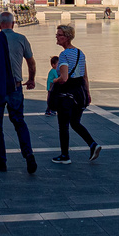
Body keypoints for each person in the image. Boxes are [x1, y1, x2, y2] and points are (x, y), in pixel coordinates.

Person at [0, 13, 36, 174]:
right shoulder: (21, 39)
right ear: (13, 24)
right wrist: (31, 79)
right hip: (15, 87)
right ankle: (28, 154)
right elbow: (31, 62)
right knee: (19, 122)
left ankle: (0, 161)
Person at [49, 25, 99, 164]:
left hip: (67, 93)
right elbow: (85, 76)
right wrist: (87, 93)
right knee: (75, 122)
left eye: (59, 35)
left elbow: (64, 78)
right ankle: (93, 144)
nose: (56, 37)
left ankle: (65, 156)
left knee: (63, 125)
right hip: (80, 92)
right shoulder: (80, 53)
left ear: (67, 37)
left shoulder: (64, 55)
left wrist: (55, 80)